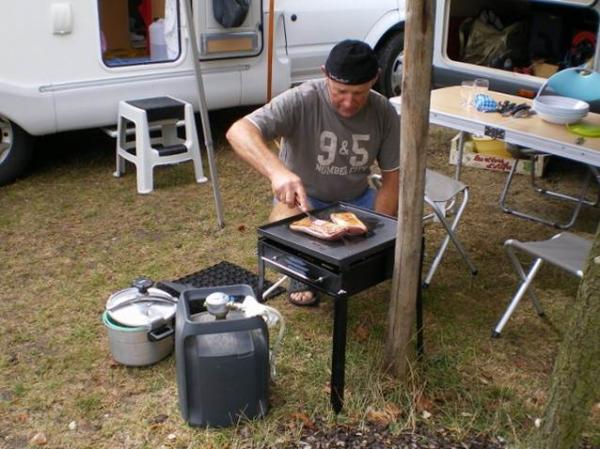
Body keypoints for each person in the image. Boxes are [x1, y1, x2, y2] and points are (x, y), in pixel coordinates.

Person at [226, 39, 400, 306]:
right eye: (340, 91)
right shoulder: (302, 99)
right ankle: (300, 271)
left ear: (375, 79)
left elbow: (391, 181)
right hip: (305, 201)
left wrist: (378, 234)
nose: (348, 102)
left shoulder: (384, 112)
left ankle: (342, 262)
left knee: (397, 232)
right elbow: (238, 131)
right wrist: (278, 172)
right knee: (284, 222)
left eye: (359, 93)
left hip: (356, 200)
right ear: (324, 74)